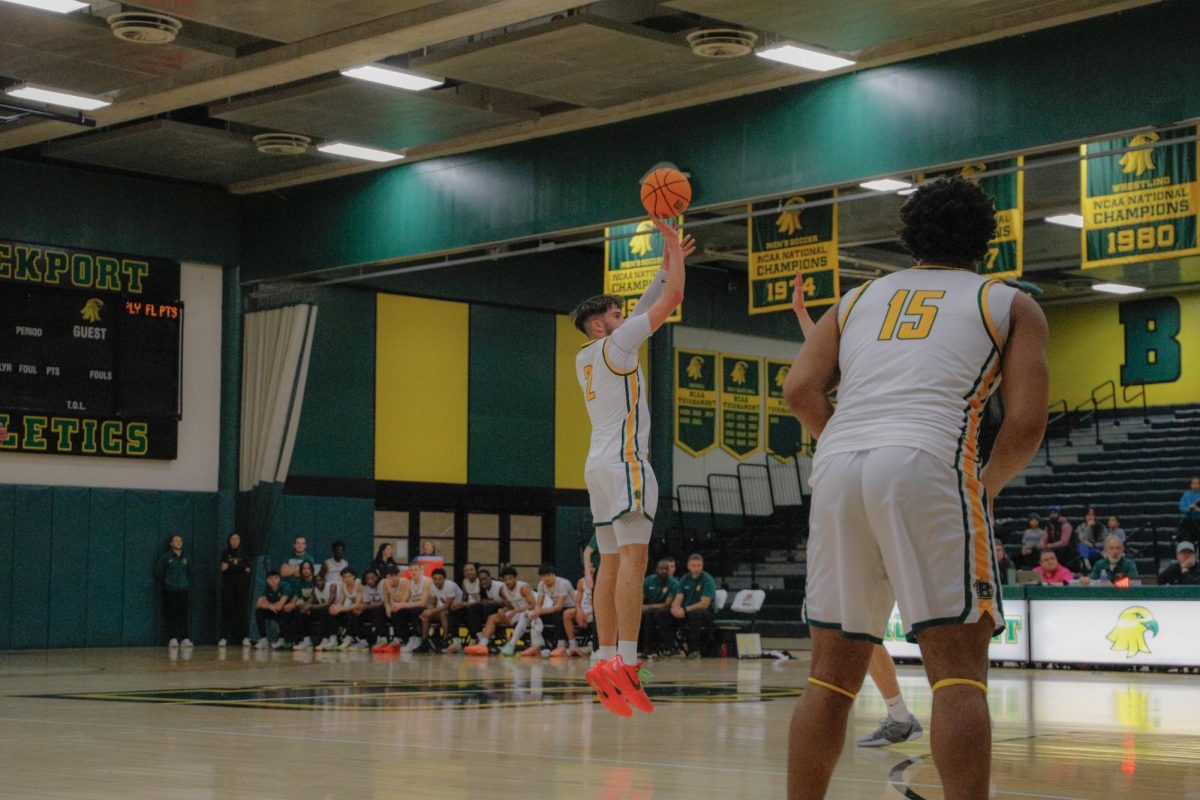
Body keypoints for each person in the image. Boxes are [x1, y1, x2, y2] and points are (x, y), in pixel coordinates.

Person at [782, 177, 1049, 800]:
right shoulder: (1008, 302)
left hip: (840, 463)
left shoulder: (855, 300)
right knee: (958, 675)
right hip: (929, 460)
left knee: (829, 676)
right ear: (987, 238)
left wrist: (843, 439)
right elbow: (1027, 422)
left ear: (908, 238)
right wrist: (984, 487)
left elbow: (800, 389)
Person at [574, 214, 695, 717]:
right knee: (635, 562)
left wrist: (672, 259)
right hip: (625, 462)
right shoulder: (619, 344)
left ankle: (604, 659)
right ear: (602, 323)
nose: (627, 315)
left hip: (596, 465)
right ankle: (627, 660)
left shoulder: (589, 352)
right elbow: (667, 304)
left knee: (610, 563)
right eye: (617, 313)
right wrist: (672, 257)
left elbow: (650, 297)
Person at [654, 554, 716, 658]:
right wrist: (674, 609)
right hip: (686, 611)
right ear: (688, 566)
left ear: (702, 566)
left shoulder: (707, 580)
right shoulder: (685, 579)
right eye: (693, 565)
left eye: (698, 565)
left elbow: (704, 603)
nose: (696, 568)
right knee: (661, 614)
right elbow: (678, 597)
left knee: (694, 614)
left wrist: (685, 609)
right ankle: (671, 648)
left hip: (705, 613)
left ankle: (694, 650)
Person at [522, 564, 576, 658]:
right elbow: (539, 603)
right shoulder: (541, 584)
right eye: (543, 576)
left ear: (554, 574)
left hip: (572, 607)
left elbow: (559, 606)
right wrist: (535, 613)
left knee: (557, 613)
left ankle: (562, 645)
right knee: (535, 617)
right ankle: (540, 646)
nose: (546, 578)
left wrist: (540, 611)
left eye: (548, 575)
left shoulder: (562, 583)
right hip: (557, 609)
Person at [455, 565, 505, 652]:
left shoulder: (499, 586)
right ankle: (474, 639)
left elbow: (507, 602)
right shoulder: (466, 582)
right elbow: (466, 598)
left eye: (471, 570)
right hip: (482, 607)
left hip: (504, 608)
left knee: (482, 608)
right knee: (464, 611)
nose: (469, 572)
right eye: (466, 570)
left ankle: (487, 640)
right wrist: (461, 604)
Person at [155, 535, 192, 649]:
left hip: (183, 588)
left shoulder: (186, 557)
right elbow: (158, 571)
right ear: (171, 543)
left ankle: (185, 638)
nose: (179, 542)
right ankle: (173, 638)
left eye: (180, 540)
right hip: (170, 589)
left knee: (183, 613)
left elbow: (190, 572)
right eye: (176, 540)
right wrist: (168, 582)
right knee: (171, 613)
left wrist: (185, 582)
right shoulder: (166, 557)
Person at [218, 532, 253, 647]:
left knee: (243, 612)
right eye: (233, 539)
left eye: (237, 539)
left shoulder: (244, 554)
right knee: (226, 611)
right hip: (228, 587)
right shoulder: (225, 553)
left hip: (242, 587)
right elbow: (223, 568)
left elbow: (247, 568)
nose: (235, 541)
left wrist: (231, 566)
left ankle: (245, 637)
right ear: (229, 541)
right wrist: (239, 566)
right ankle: (223, 637)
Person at [419, 567, 463, 653]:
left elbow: (447, 605)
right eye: (435, 579)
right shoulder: (432, 585)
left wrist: (431, 611)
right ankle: (424, 641)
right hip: (445, 611)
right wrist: (429, 611)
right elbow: (432, 601)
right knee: (426, 613)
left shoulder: (450, 586)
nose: (437, 581)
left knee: (443, 612)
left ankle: (445, 638)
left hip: (457, 611)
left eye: (440, 579)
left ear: (444, 579)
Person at [640, 559, 678, 656]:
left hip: (666, 610)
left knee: (658, 614)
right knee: (646, 615)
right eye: (661, 569)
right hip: (650, 610)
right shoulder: (648, 581)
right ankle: (646, 648)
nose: (663, 571)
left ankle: (670, 647)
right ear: (656, 569)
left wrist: (648, 607)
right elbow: (641, 598)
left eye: (666, 569)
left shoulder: (673, 583)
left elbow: (667, 604)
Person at [398, 561, 433, 651]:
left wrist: (404, 605)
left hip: (427, 608)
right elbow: (405, 599)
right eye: (411, 570)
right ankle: (408, 638)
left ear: (421, 571)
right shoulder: (410, 583)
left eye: (416, 570)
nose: (413, 572)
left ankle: (418, 637)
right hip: (414, 607)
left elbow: (422, 603)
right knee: (398, 612)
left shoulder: (427, 581)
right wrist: (398, 606)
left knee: (414, 610)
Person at [285, 561, 318, 649]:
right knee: (292, 610)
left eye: (308, 568)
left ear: (312, 570)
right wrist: (290, 605)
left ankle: (307, 640)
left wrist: (307, 605)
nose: (306, 570)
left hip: (317, 607)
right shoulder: (300, 583)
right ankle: (291, 639)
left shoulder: (316, 580)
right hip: (305, 607)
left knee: (302, 610)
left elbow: (316, 598)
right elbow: (296, 597)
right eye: (304, 568)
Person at [254, 570, 290, 650]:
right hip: (273, 610)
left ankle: (282, 639)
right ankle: (263, 639)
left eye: (276, 578)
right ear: (267, 581)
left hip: (286, 612)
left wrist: (270, 605)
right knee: (259, 611)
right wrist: (270, 606)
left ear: (279, 579)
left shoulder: (285, 586)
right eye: (270, 578)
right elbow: (259, 604)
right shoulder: (267, 588)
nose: (273, 580)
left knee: (284, 611)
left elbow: (281, 604)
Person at [572, 573, 596, 657]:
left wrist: (590, 612)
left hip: (596, 609)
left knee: (594, 617)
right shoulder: (581, 582)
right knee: (567, 614)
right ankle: (571, 643)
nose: (591, 570)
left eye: (592, 567)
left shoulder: (600, 578)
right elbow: (578, 601)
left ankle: (593, 644)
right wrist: (579, 612)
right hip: (585, 608)